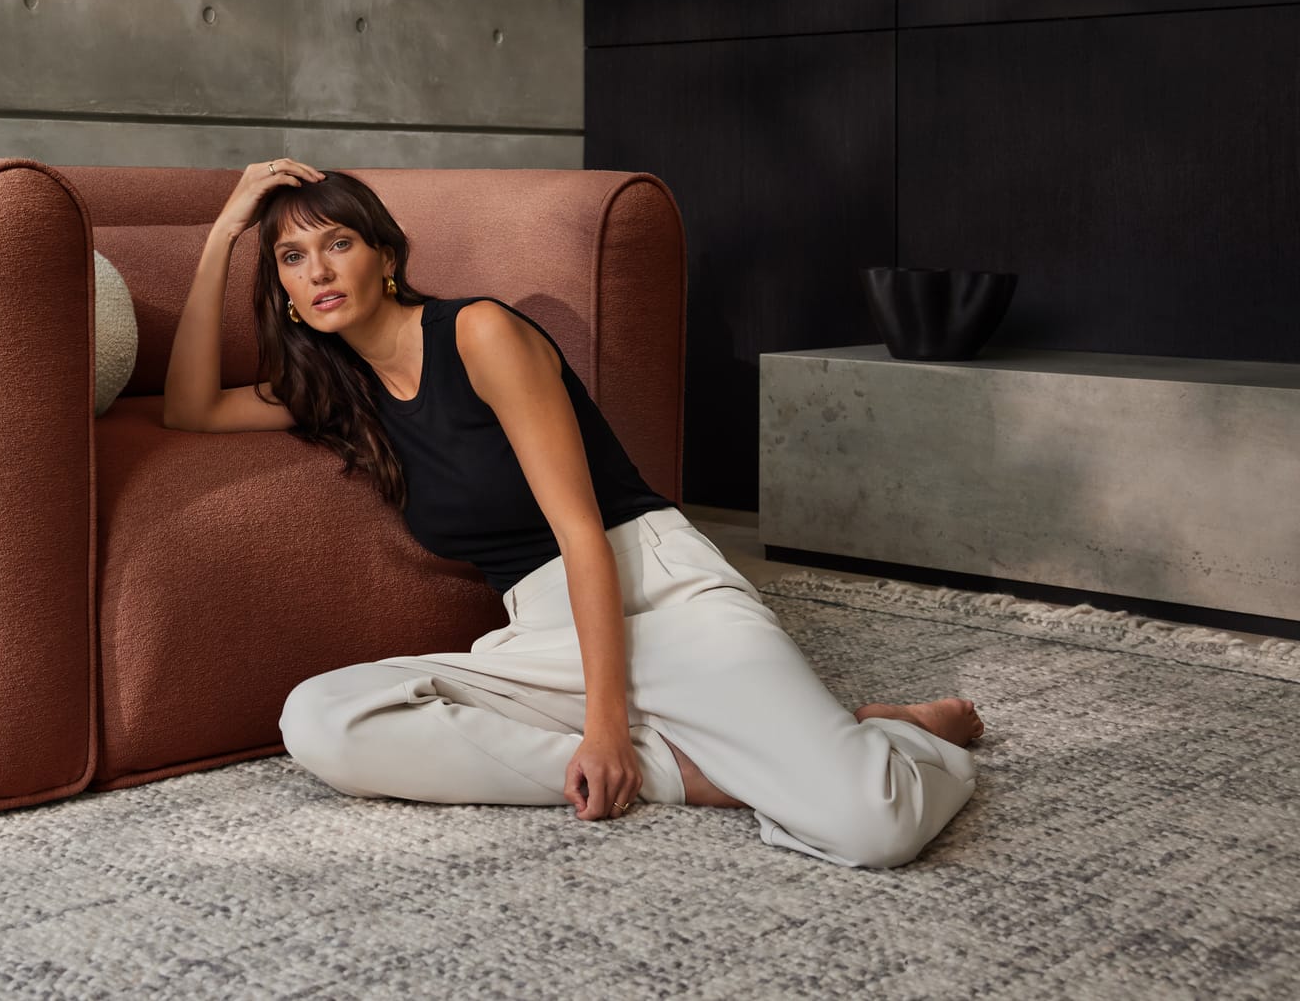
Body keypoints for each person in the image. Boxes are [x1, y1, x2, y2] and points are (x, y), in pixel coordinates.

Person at [161, 158, 984, 868]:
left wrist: (603, 730)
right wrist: (224, 233)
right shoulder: (339, 395)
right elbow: (188, 408)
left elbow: (581, 532)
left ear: (386, 258)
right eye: (292, 257)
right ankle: (693, 773)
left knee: (873, 827)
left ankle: (910, 737)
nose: (318, 269)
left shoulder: (478, 333)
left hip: (654, 595)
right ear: (287, 293)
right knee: (320, 720)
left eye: (338, 242)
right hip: (541, 636)